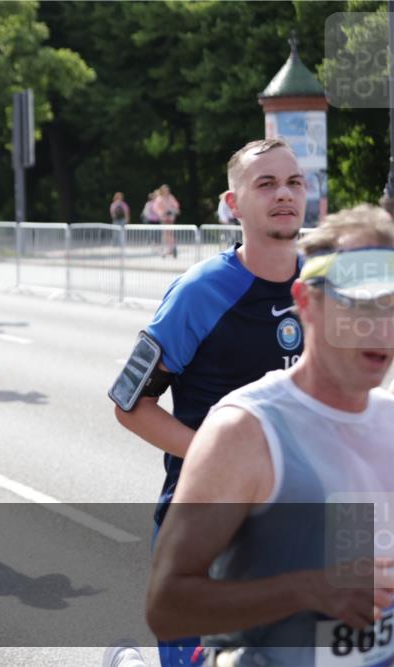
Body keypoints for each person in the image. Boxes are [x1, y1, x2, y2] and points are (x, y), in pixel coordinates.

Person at [146, 205, 394, 667]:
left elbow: (357, 580)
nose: (380, 326)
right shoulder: (245, 431)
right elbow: (167, 607)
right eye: (357, 302)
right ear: (306, 302)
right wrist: (308, 589)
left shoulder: (386, 422)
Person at [112, 138, 308, 667]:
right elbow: (130, 404)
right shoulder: (201, 292)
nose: (283, 194)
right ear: (234, 202)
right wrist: (219, 457)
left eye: (293, 182)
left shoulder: (320, 286)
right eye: (265, 184)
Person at [154, 184, 181, 258]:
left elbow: (176, 206)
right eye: (164, 190)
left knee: (170, 233)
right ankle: (167, 249)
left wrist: (172, 211)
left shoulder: (171, 197)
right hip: (164, 218)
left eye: (167, 190)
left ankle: (172, 248)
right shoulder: (159, 198)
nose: (166, 191)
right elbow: (156, 208)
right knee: (165, 234)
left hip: (170, 218)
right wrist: (162, 213)